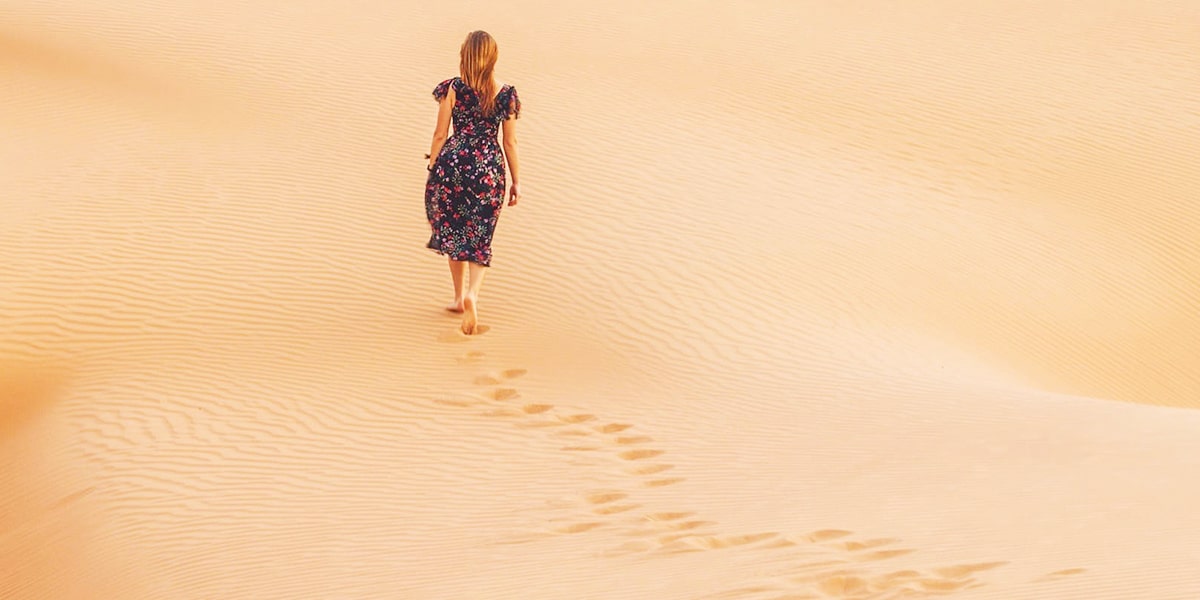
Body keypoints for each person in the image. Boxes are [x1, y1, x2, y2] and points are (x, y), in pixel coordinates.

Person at [424, 30, 522, 335]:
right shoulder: (505, 94)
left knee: (455, 229)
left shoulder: (452, 88)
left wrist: (433, 166)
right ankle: (472, 294)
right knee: (480, 234)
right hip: (488, 170)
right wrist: (517, 181)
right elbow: (510, 142)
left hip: (453, 165)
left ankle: (457, 298)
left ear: (464, 56)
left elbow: (440, 134)